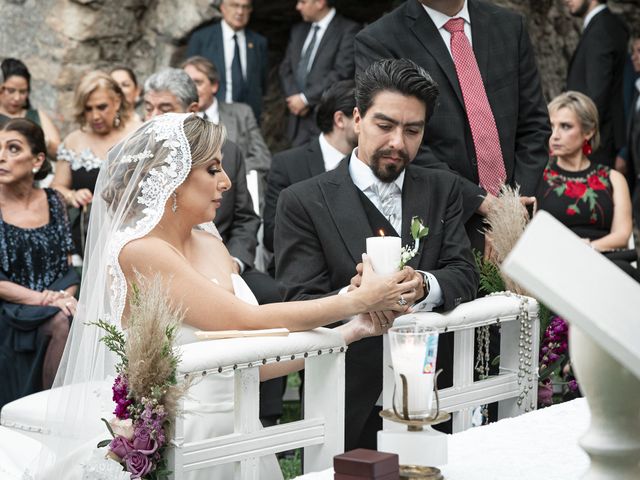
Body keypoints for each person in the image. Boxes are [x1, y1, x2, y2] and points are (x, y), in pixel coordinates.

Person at [0, 113, 420, 479]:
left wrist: (350, 329)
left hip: (241, 432)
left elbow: (253, 358)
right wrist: (356, 299)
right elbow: (245, 319)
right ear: (172, 177)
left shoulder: (210, 242)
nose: (227, 181)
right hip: (185, 442)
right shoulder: (141, 253)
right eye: (213, 169)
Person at [274, 59, 479, 451]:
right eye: (384, 126)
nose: (398, 143)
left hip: (435, 390)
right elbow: (298, 302)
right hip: (349, 394)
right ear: (356, 119)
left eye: (412, 130)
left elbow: (463, 274)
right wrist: (351, 300)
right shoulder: (301, 201)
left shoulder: (443, 189)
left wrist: (423, 285)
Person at [143, 68, 285, 427]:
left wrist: (233, 260)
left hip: (226, 255)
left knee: (272, 290)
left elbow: (245, 218)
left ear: (192, 109)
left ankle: (266, 409)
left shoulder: (229, 152)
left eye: (165, 108)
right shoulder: (141, 161)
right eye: (149, 108)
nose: (154, 118)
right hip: (176, 269)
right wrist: (347, 308)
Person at [354, 0, 549, 253]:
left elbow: (534, 125)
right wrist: (480, 202)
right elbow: (399, 142)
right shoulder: (380, 39)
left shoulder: (509, 25)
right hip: (444, 222)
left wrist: (514, 208)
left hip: (521, 216)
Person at [0, 118, 79, 409]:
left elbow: (67, 270)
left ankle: (54, 416)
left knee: (71, 319)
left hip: (52, 307)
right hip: (9, 313)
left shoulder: (54, 200)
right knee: (60, 319)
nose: (1, 157)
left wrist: (63, 298)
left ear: (37, 160)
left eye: (13, 149)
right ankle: (39, 415)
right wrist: (46, 300)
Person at [538, 91, 637, 280]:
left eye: (565, 126)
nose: (555, 135)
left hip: (602, 258)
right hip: (554, 263)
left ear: (588, 131)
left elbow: (622, 235)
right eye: (551, 126)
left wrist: (587, 248)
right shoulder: (539, 177)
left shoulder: (613, 178)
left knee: (623, 272)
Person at [263, 79, 357, 257]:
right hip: (299, 271)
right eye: (362, 118)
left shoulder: (370, 165)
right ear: (340, 120)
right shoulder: (287, 164)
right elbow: (271, 234)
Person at [51, 71, 136, 259]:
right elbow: (56, 187)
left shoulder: (135, 135)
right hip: (86, 239)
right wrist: (72, 195)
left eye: (102, 107)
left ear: (117, 102)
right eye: (88, 109)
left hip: (130, 234)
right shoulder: (73, 141)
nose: (95, 116)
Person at [279, 0, 360, 146]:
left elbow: (342, 73)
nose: (298, 7)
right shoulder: (298, 30)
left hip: (325, 120)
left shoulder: (348, 30)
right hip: (295, 121)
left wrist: (305, 99)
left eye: (303, 2)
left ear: (320, 2)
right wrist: (295, 100)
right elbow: (286, 69)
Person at [182, 56, 271, 179]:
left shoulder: (242, 113)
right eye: (187, 84)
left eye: (198, 82)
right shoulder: (179, 120)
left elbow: (262, 158)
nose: (192, 89)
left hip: (235, 187)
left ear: (214, 86)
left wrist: (222, 172)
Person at [565, 0, 629, 169]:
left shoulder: (601, 28)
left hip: (597, 143)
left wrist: (577, 137)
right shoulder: (605, 24)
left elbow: (596, 95)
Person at [186, 0, 268, 122]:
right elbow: (189, 80)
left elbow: (262, 82)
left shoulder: (258, 42)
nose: (240, 12)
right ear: (223, 8)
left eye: (245, 7)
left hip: (247, 119)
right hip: (210, 117)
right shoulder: (201, 39)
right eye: (235, 5)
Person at [0, 58, 60, 158]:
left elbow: (59, 151)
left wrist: (45, 141)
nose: (17, 98)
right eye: (11, 91)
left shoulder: (36, 115)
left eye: (23, 92)